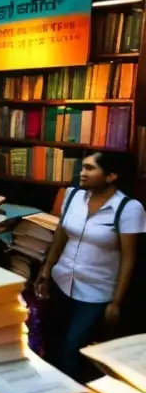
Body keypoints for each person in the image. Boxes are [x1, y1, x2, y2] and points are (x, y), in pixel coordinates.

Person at [35, 152, 146, 379]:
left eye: (89, 169)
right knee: (52, 341)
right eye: (82, 167)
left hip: (97, 292)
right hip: (62, 280)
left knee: (73, 346)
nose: (82, 173)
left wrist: (116, 301)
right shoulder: (73, 195)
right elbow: (61, 233)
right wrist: (47, 268)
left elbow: (129, 259)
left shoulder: (129, 208)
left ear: (111, 176)